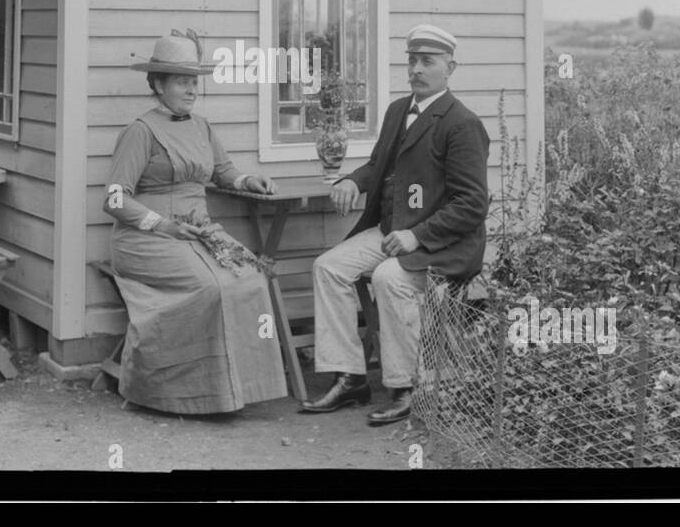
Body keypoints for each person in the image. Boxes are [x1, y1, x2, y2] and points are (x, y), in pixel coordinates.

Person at [302, 23, 490, 425]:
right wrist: (353, 180)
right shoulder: (397, 111)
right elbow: (378, 166)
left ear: (450, 67)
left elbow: (472, 205)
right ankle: (349, 376)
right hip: (394, 231)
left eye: (428, 61)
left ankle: (407, 387)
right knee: (328, 267)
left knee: (389, 277)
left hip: (443, 245)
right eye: (412, 61)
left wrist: (416, 234)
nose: (417, 70)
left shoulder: (461, 124)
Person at [102, 30, 289, 414]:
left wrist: (247, 180)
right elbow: (115, 198)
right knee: (209, 287)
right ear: (158, 83)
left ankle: (239, 390)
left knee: (251, 279)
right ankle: (173, 392)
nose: (191, 90)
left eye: (194, 82)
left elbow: (223, 172)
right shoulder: (141, 131)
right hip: (146, 239)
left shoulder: (201, 126)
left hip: (199, 233)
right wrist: (164, 225)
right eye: (182, 81)